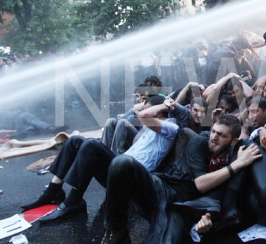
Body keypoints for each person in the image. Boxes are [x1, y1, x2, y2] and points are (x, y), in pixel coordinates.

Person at [12, 114, 262, 244]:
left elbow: (225, 203)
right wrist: (236, 165)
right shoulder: (201, 142)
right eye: (214, 132)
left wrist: (208, 223)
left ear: (232, 141)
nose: (214, 138)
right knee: (122, 164)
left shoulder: (236, 156)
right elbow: (199, 184)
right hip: (160, 187)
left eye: (221, 136)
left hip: (179, 210)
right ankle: (116, 233)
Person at [20, 96, 180, 223]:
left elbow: (144, 115)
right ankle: (53, 191)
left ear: (158, 112)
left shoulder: (170, 128)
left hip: (130, 179)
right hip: (119, 168)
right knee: (75, 141)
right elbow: (140, 114)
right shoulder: (150, 128)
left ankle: (74, 201)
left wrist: (166, 105)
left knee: (91, 145)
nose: (140, 116)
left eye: (148, 110)